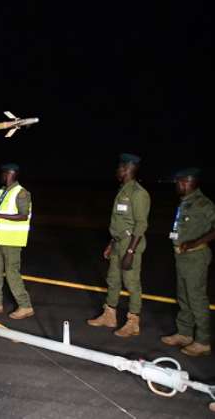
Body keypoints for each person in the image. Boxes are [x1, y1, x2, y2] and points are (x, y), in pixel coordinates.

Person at [88, 153, 150, 337]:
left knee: (132, 283)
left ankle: (133, 322)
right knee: (113, 280)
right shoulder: (123, 190)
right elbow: (119, 223)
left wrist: (130, 251)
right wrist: (111, 243)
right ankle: (110, 315)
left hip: (130, 244)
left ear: (125, 169)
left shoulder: (138, 193)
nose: (117, 171)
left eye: (119, 168)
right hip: (117, 243)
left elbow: (141, 224)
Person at [161, 168, 214, 357]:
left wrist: (196, 242)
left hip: (195, 257)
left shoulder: (203, 204)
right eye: (179, 182)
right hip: (181, 257)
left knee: (196, 299)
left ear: (190, 182)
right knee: (183, 297)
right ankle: (184, 333)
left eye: (182, 182)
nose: (179, 185)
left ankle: (202, 341)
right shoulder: (185, 202)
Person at [0, 163, 34, 320]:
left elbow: (23, 215)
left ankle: (25, 306)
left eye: (3, 173)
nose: (1, 176)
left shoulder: (21, 193)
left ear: (9, 173)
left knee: (12, 274)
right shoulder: (2, 191)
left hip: (12, 241)